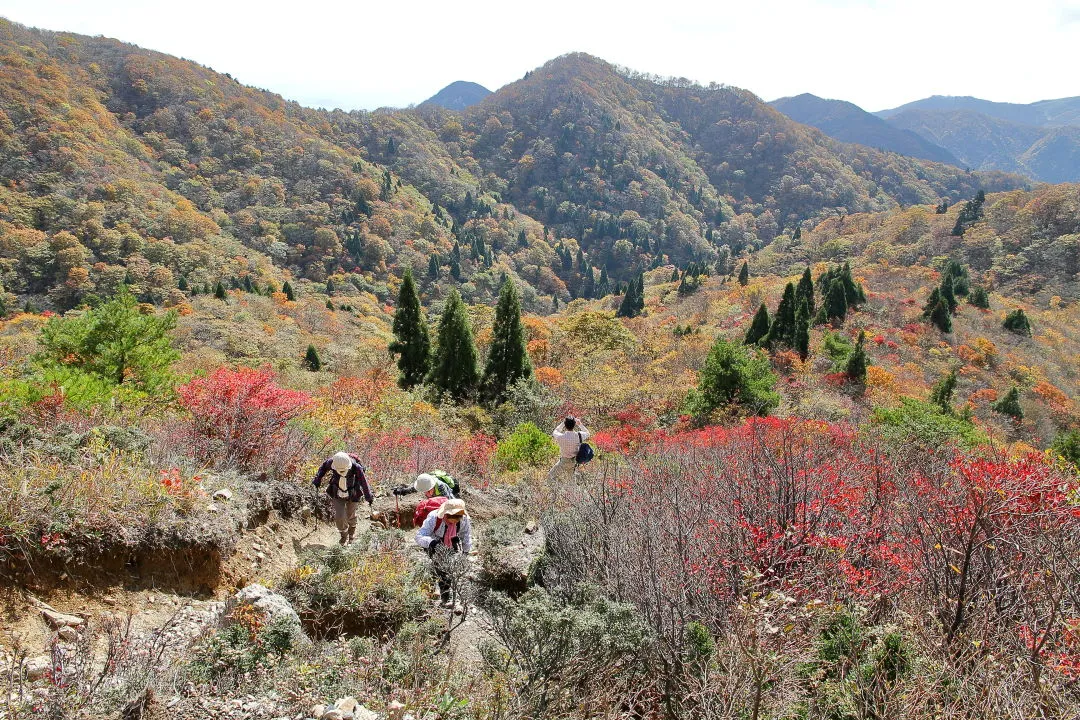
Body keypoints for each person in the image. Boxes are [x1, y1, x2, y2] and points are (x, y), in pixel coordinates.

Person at [415, 498, 472, 608]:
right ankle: (439, 595)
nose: (455, 521)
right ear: (445, 514)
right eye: (452, 517)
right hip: (433, 542)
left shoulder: (464, 520)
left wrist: (465, 552)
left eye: (458, 518)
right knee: (439, 568)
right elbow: (419, 536)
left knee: (447, 569)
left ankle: (445, 596)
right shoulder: (434, 517)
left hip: (452, 542)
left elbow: (466, 536)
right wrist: (432, 543)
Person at [313, 451, 373, 545]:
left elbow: (363, 482)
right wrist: (317, 479)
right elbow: (323, 468)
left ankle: (351, 536)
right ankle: (343, 535)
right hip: (337, 492)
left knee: (350, 515)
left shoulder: (356, 467)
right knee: (339, 516)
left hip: (353, 492)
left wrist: (368, 497)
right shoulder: (331, 462)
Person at [548, 415, 589, 481]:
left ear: (565, 425)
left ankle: (555, 489)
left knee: (550, 476)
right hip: (574, 462)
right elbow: (587, 433)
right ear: (574, 425)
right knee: (571, 481)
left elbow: (555, 431)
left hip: (563, 462)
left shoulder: (561, 437)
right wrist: (580, 424)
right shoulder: (579, 435)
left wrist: (562, 424)